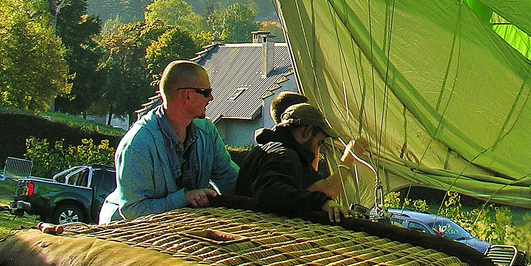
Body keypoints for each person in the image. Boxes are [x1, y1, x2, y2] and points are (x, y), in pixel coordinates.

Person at [99, 60, 239, 223]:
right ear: (187, 95)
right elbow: (132, 210)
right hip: (121, 232)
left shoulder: (207, 132)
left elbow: (230, 180)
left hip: (175, 227)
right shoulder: (138, 144)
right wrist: (184, 198)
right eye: (206, 92)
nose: (211, 97)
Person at [232, 102, 347, 220]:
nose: (318, 149)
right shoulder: (286, 156)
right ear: (307, 131)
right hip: (258, 230)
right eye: (319, 142)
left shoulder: (260, 150)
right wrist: (321, 202)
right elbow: (268, 191)